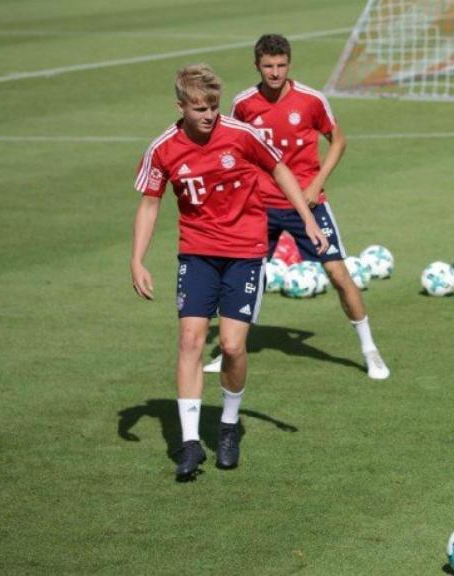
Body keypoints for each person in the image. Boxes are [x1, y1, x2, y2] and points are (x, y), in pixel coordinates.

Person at [131, 63, 328, 481]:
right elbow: (150, 202)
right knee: (189, 340)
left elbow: (279, 169)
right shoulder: (163, 148)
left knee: (234, 347)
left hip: (244, 252)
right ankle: (187, 445)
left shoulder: (241, 135)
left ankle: (227, 426)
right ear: (181, 106)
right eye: (199, 108)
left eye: (213, 107)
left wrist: (307, 219)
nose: (208, 115)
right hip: (197, 253)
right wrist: (137, 258)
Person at [204, 33, 389, 379]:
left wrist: (317, 183)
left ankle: (369, 349)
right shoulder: (244, 103)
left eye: (281, 65)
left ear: (289, 64)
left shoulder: (310, 100)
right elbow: (234, 148)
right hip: (260, 206)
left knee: (337, 273)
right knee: (246, 278)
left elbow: (338, 141)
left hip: (309, 205)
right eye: (268, 66)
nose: (275, 72)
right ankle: (229, 354)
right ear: (257, 65)